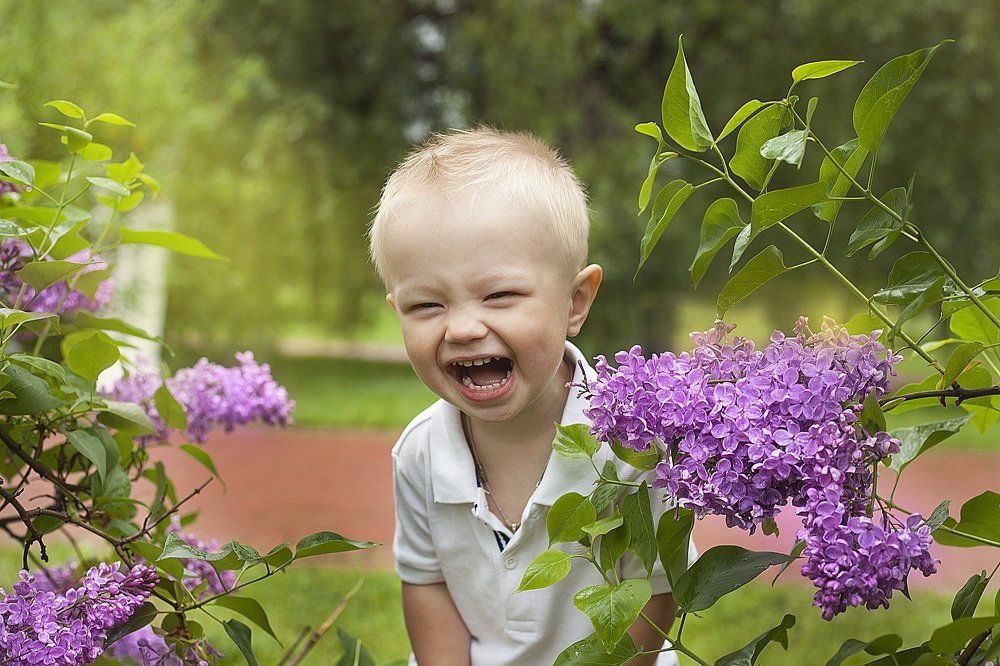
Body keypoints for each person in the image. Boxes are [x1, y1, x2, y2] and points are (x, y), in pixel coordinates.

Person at [368, 126, 691, 665]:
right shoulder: (420, 453)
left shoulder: (632, 445)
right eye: (426, 306)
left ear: (575, 301)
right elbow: (428, 584)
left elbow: (652, 589)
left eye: (500, 295)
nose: (464, 328)